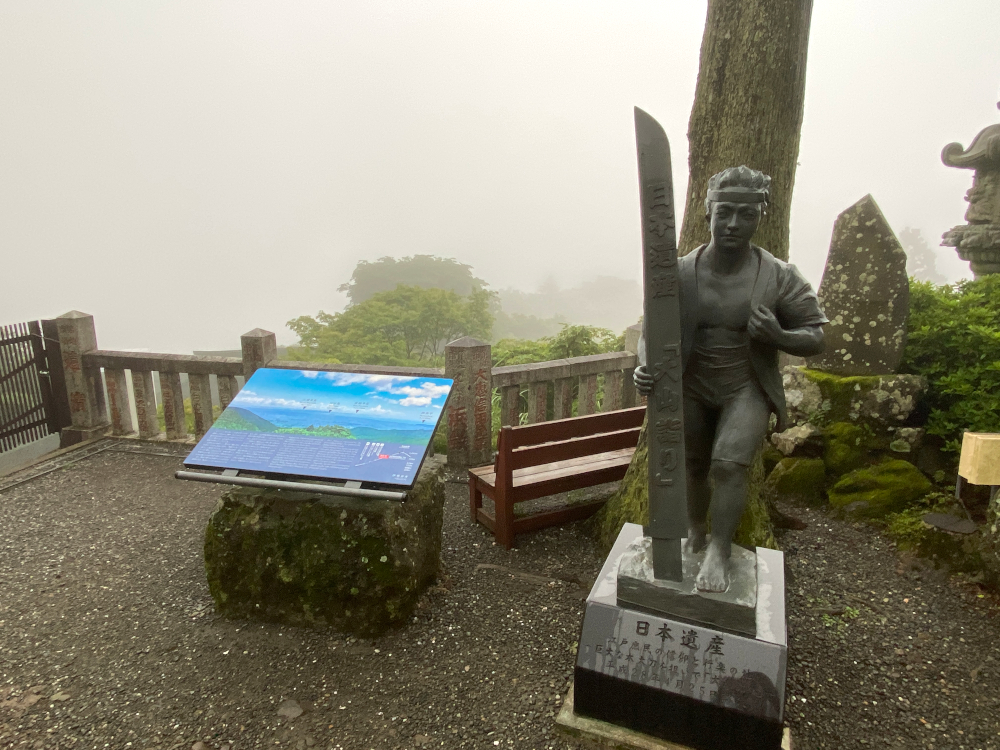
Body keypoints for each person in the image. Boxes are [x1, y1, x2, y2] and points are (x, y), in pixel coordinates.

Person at [634, 166, 827, 592]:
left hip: (746, 385)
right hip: (689, 380)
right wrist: (644, 365)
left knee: (727, 465)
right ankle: (694, 530)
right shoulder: (679, 272)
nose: (733, 224)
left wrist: (779, 335)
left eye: (745, 214)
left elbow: (816, 335)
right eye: (724, 213)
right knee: (693, 462)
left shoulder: (779, 275)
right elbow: (653, 329)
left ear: (761, 215)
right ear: (708, 212)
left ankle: (720, 548)